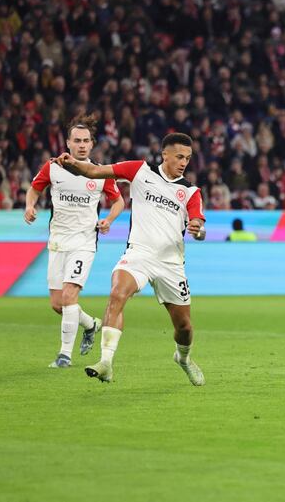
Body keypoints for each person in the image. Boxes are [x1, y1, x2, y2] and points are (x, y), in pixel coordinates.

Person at [52, 132, 207, 386]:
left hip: (170, 263)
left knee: (185, 328)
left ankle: (183, 358)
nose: (183, 162)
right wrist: (72, 163)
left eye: (188, 158)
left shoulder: (190, 191)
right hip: (139, 253)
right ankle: (106, 363)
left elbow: (199, 227)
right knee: (117, 292)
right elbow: (94, 172)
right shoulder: (139, 170)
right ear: (164, 154)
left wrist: (198, 230)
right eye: (179, 156)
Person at [24, 114, 125, 368]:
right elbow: (35, 188)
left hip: (84, 241)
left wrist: (109, 220)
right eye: (77, 140)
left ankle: (64, 356)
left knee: (70, 296)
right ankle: (90, 325)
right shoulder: (53, 167)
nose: (81, 145)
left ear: (92, 145)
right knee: (58, 305)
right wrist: (29, 206)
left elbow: (119, 201)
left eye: (86, 141)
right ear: (68, 143)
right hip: (58, 241)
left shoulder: (100, 172)